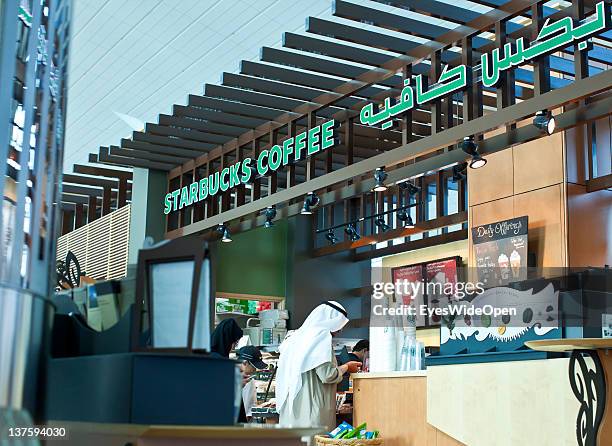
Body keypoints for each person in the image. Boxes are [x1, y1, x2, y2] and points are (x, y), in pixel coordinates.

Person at [276, 301, 362, 429]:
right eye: (340, 324)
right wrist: (347, 367)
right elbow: (327, 375)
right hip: (312, 409)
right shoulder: (321, 338)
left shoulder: (294, 337)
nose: (340, 329)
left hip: (292, 410)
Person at [236, 346, 268, 420]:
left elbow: (250, 409)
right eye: (254, 366)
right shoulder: (245, 380)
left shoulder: (249, 380)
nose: (255, 370)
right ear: (245, 363)